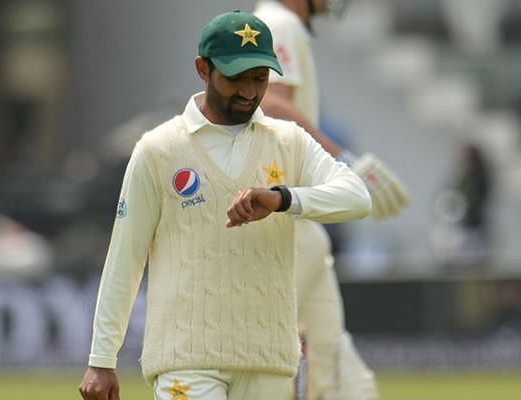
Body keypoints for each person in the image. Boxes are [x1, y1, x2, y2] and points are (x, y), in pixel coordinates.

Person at [78, 10, 371, 400]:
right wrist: (102, 359)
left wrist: (283, 198)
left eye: (260, 78)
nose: (249, 92)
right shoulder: (159, 150)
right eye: (236, 77)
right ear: (203, 68)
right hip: (186, 359)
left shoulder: (288, 141)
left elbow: (357, 196)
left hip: (266, 358)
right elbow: (125, 258)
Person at [254, 1, 411, 399]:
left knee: (337, 371)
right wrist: (342, 160)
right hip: (283, 225)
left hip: (297, 222)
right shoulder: (281, 21)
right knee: (268, 362)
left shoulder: (279, 23)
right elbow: (270, 101)